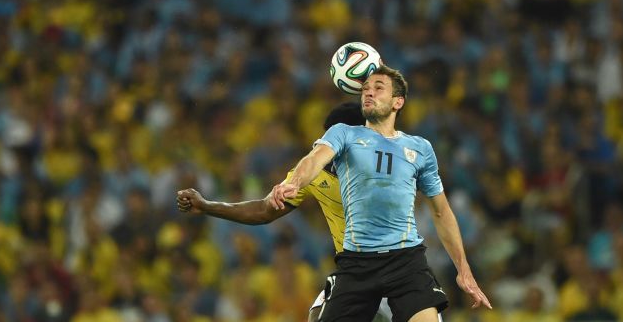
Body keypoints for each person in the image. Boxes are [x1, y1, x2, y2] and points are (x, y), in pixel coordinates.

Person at [269, 65, 492, 322]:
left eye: (378, 88)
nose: (369, 93)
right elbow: (314, 159)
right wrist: (294, 182)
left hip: (405, 260)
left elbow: (441, 211)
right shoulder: (344, 133)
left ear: (398, 101)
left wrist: (463, 269)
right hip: (357, 263)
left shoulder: (420, 148)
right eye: (365, 89)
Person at [177, 102, 393, 322]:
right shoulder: (313, 173)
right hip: (353, 273)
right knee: (318, 316)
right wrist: (206, 205)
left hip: (394, 268)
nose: (324, 147)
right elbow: (264, 209)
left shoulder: (390, 167)